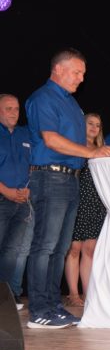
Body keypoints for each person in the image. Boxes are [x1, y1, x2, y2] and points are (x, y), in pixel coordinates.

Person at [25, 48, 110, 329]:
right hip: (50, 178)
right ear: (58, 69)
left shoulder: (72, 103)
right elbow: (51, 140)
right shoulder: (43, 98)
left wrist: (98, 152)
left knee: (61, 247)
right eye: (76, 72)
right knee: (45, 246)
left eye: (83, 74)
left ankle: (54, 306)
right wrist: (91, 152)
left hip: (70, 179)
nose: (81, 78)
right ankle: (39, 310)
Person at [64, 113, 107, 307]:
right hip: (77, 200)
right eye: (90, 123)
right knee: (74, 249)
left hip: (96, 203)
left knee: (90, 250)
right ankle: (73, 294)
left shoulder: (103, 150)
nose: (94, 128)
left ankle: (88, 293)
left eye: (97, 125)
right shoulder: (74, 147)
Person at [0, 94, 32, 309]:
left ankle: (6, 296)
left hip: (22, 202)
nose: (14, 113)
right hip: (2, 198)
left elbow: (33, 165)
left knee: (13, 252)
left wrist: (28, 189)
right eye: (8, 108)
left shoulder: (25, 134)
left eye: (17, 109)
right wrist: (6, 191)